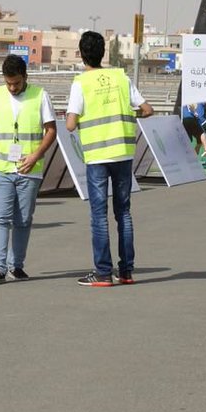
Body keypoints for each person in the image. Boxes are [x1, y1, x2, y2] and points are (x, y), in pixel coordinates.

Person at [65, 31, 154, 287]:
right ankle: (126, 271)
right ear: (104, 53)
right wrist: (128, 116)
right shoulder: (120, 77)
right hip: (123, 152)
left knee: (99, 215)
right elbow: (147, 109)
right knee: (123, 213)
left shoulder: (81, 83)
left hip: (97, 155)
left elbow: (70, 124)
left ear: (82, 54)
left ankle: (103, 272)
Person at [0, 55, 57, 284]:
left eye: (16, 83)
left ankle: (17, 265)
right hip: (0, 167)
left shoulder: (40, 96)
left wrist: (36, 154)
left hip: (29, 168)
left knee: (23, 219)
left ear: (25, 77)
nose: (12, 87)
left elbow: (51, 130)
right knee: (0, 218)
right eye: (8, 83)